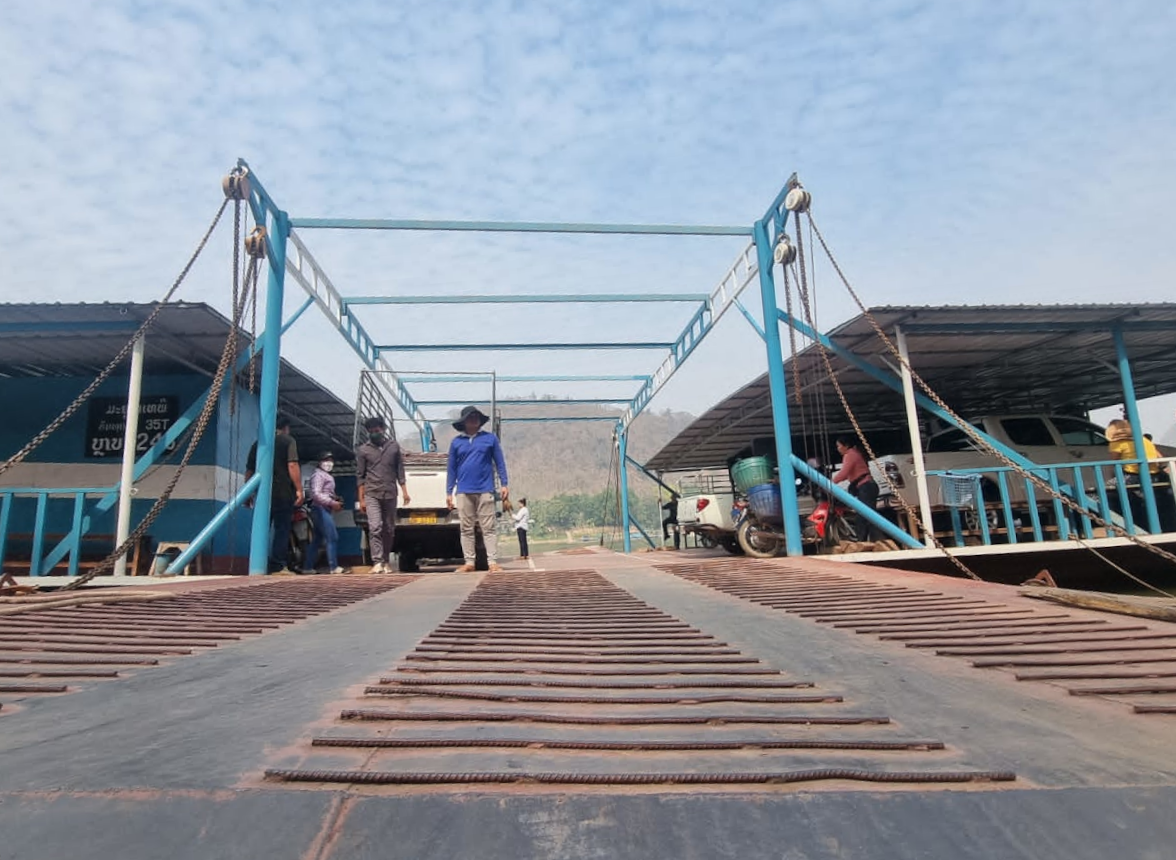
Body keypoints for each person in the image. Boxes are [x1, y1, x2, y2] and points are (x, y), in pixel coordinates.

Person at [446, 405, 509, 573]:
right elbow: (451, 468)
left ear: (480, 421)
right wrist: (449, 492)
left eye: (476, 417)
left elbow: (499, 462)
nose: (474, 419)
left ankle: (493, 562)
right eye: (470, 417)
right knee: (466, 528)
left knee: (488, 527)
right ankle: (469, 562)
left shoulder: (490, 439)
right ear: (464, 422)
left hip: (485, 489)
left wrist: (504, 484)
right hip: (464, 490)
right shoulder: (456, 443)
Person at [245, 413, 302, 574]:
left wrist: (248, 493)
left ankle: (257, 565)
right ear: (285, 428)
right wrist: (299, 489)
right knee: (281, 530)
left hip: (262, 495)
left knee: (261, 529)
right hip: (283, 494)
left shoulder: (258, 444)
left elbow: (249, 470)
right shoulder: (288, 441)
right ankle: (277, 565)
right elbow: (292, 465)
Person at [356, 416, 410, 574]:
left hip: (390, 493)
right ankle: (377, 561)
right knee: (375, 527)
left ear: (383, 430)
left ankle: (386, 560)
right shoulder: (363, 450)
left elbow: (400, 470)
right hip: (371, 493)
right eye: (371, 431)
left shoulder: (393, 447)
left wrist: (405, 491)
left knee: (388, 528)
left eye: (377, 430)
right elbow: (360, 475)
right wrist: (361, 499)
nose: (374, 433)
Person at [304, 450, 346, 575]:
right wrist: (333, 503)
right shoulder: (318, 475)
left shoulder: (326, 475)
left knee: (317, 539)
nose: (329, 463)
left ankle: (307, 567)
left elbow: (325, 493)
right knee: (332, 537)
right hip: (320, 509)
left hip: (322, 509)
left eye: (331, 460)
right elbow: (316, 494)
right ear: (320, 462)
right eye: (326, 460)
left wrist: (335, 498)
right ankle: (333, 567)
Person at [832, 435, 878, 542]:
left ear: (846, 446)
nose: (838, 449)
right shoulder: (855, 453)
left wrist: (830, 483)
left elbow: (844, 473)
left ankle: (864, 540)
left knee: (864, 516)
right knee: (867, 516)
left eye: (839, 446)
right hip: (867, 486)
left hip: (866, 487)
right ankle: (868, 540)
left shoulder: (850, 455)